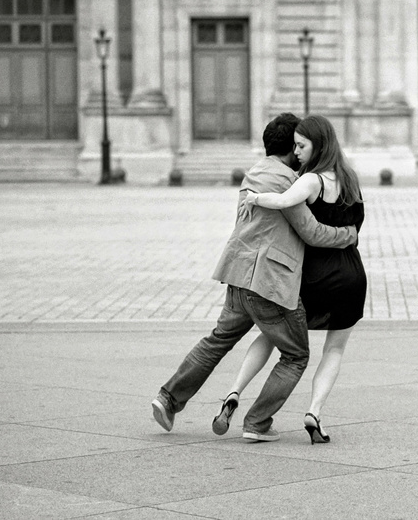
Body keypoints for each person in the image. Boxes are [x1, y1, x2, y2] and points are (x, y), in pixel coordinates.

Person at [151, 113, 357, 442]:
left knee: (217, 341)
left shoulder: (255, 172)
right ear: (292, 147)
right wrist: (347, 234)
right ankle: (257, 422)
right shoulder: (286, 181)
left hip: (238, 273)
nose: (301, 152)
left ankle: (168, 398)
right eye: (298, 145)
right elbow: (311, 231)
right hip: (269, 282)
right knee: (296, 355)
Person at [214, 115, 367, 445]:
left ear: (318, 146)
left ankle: (234, 391)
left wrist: (255, 198)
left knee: (272, 335)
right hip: (350, 275)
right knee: (335, 349)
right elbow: (357, 225)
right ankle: (314, 412)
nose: (295, 152)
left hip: (310, 278)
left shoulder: (310, 181)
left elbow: (284, 201)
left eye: (301, 146)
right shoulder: (350, 179)